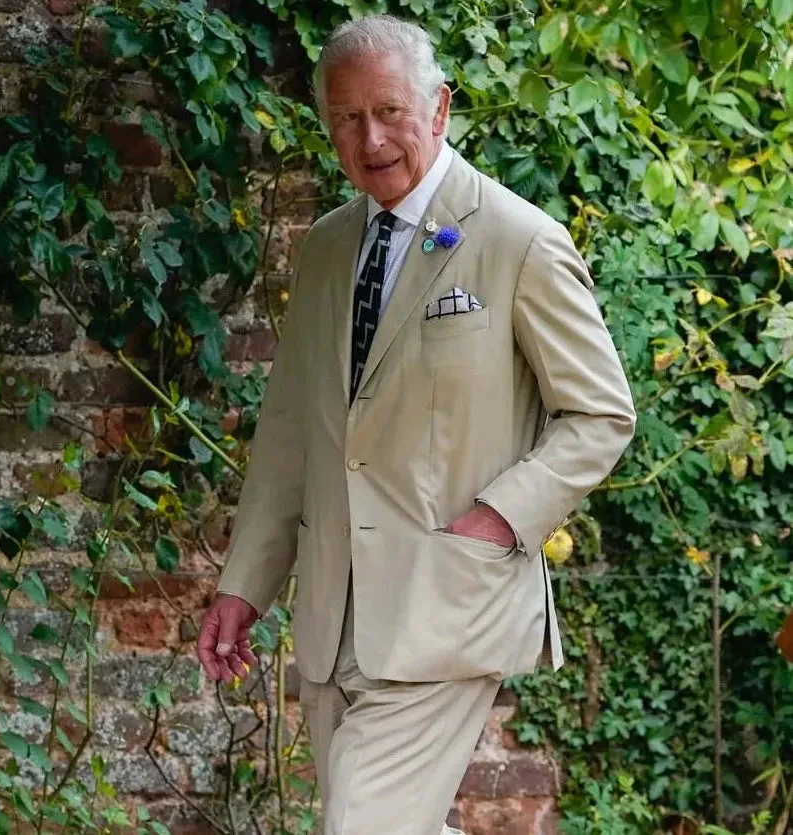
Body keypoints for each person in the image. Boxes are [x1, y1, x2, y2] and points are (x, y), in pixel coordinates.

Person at [197, 14, 636, 834]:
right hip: (335, 613)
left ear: (438, 109)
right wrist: (243, 584)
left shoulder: (519, 241)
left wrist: (500, 517)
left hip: (447, 601)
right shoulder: (327, 248)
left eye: (390, 110)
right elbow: (291, 431)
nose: (371, 138)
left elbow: (601, 412)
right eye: (346, 118)